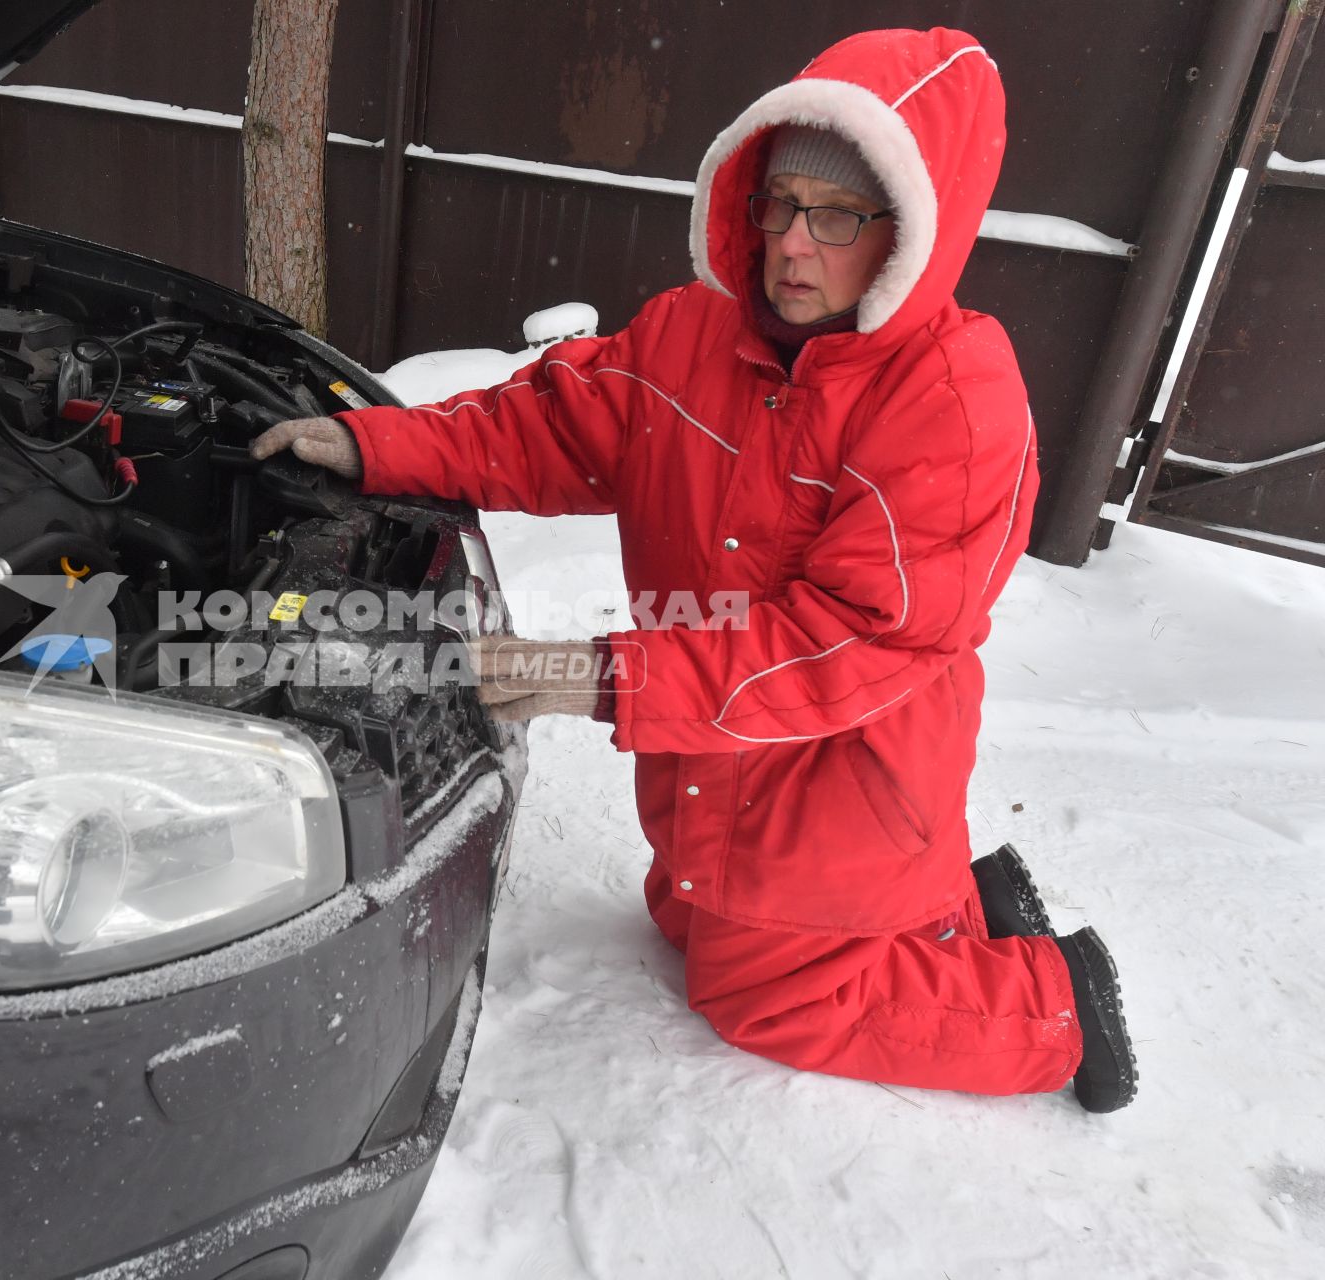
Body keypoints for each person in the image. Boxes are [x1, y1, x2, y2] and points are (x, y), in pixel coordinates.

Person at [251, 27, 1139, 1112]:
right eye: (779, 202)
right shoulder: (694, 336)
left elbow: (851, 640)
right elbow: (556, 425)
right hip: (717, 753)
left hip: (847, 767)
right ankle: (957, 908)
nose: (792, 247)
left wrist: (609, 677)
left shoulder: (954, 403)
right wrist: (378, 444)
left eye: (838, 216)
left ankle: (1052, 1004)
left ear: (911, 230)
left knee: (765, 990)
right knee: (688, 909)